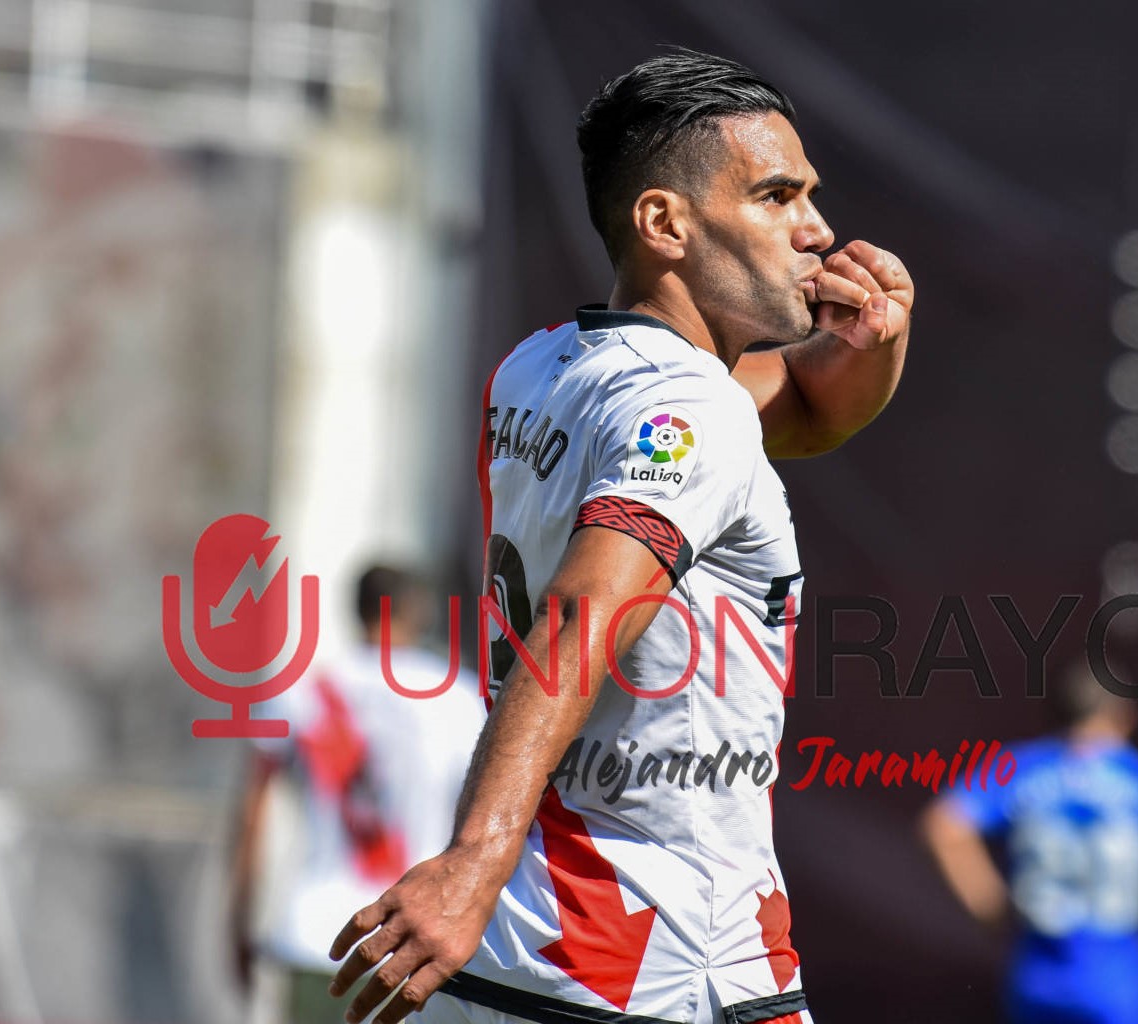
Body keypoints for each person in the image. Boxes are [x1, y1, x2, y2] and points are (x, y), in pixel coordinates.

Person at [327, 50, 912, 1024]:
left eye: (810, 196)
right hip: (654, 955)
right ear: (664, 223)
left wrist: (877, 342)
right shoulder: (695, 408)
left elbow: (810, 407)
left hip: (526, 945)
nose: (816, 229)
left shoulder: (542, 363)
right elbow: (581, 615)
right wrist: (472, 858)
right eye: (775, 196)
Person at [919, 664, 1138, 1024]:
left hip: (1037, 975)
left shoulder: (1021, 769)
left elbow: (944, 826)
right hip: (1118, 977)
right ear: (1125, 716)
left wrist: (990, 907)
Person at [231, 565, 487, 1023]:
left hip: (314, 934)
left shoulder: (303, 689)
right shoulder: (458, 699)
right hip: (411, 940)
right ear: (419, 611)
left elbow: (253, 815)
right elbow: (482, 827)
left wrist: (238, 922)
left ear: (354, 608)